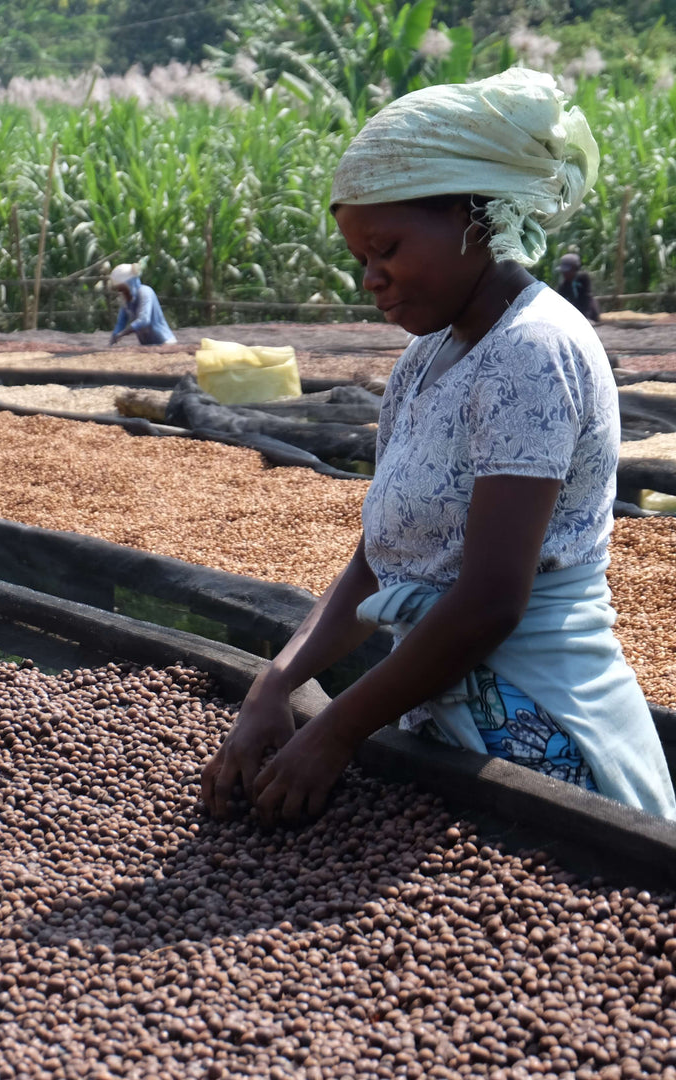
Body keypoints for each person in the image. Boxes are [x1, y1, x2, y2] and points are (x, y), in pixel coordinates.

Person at [201, 67, 676, 824]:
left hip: (534, 724)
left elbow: (489, 601)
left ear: (471, 216)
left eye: (386, 246)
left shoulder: (535, 348)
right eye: (361, 257)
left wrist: (337, 728)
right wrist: (275, 684)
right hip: (433, 703)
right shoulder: (426, 357)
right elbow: (380, 557)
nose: (371, 277)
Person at [108, 264, 176, 345]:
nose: (121, 293)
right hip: (147, 345)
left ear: (130, 284)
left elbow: (144, 320)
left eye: (123, 289)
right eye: (119, 290)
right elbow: (121, 322)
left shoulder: (145, 292)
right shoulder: (127, 301)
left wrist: (123, 333)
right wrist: (114, 337)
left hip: (165, 342)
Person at [556, 252, 601, 322]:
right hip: (574, 316)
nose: (564, 274)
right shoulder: (564, 285)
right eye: (563, 271)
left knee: (591, 303)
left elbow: (586, 298)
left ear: (575, 268)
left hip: (587, 313)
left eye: (567, 271)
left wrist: (586, 316)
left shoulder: (583, 279)